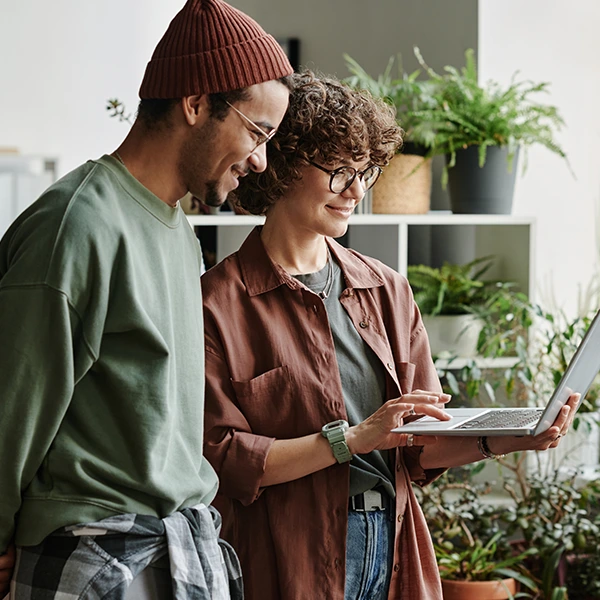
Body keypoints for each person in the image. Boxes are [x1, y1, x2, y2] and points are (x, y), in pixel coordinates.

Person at [201, 71, 580, 600]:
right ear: (282, 166)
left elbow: (417, 448)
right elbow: (222, 460)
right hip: (292, 557)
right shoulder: (217, 304)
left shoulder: (386, 290)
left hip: (393, 543)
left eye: (365, 171)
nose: (357, 191)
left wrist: (511, 438)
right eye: (338, 171)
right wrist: (351, 439)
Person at [0, 0, 293, 597]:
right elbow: (11, 412)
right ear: (195, 103)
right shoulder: (76, 224)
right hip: (95, 561)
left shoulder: (177, 231)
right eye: (257, 132)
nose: (260, 159)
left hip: (175, 557)